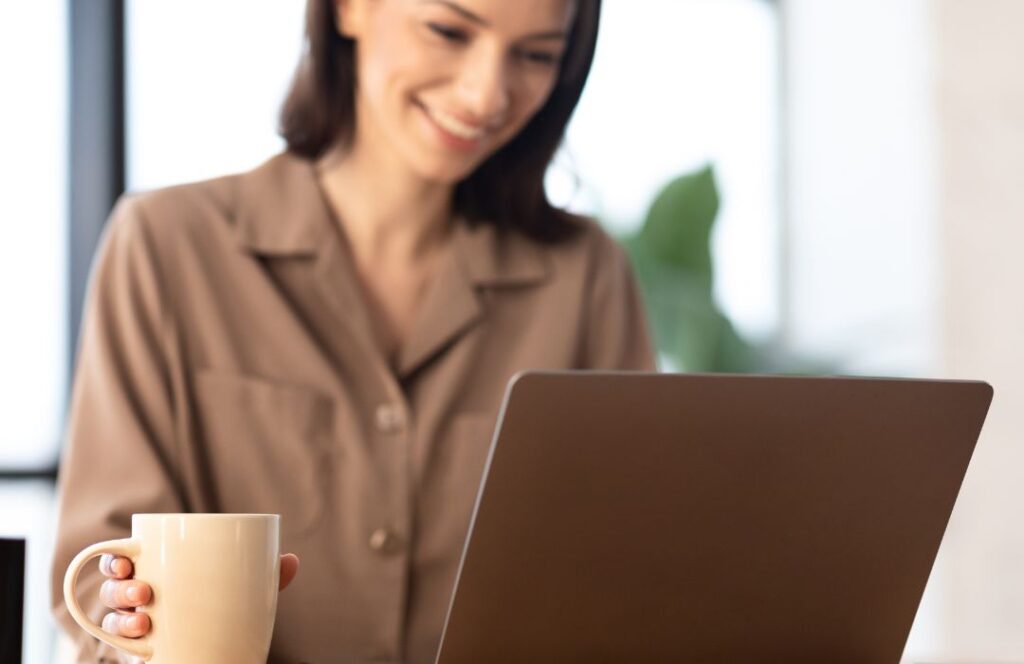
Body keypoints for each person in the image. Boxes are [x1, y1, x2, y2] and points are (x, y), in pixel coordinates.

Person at [51, 0, 655, 661]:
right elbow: (96, 587)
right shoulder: (166, 249)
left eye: (536, 55)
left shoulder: (588, 278)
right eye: (449, 31)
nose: (487, 93)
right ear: (350, 8)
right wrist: (135, 634)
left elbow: (629, 572)